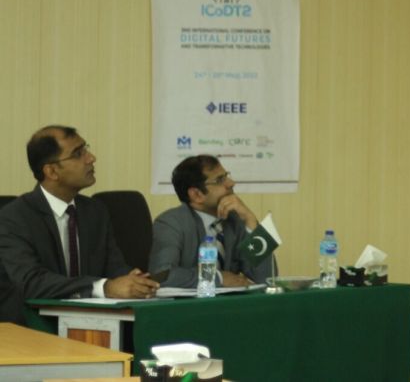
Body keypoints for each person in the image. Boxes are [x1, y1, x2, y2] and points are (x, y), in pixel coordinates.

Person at [0, 126, 160, 323]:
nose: (91, 158)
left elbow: (113, 266)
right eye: (78, 154)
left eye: (86, 149)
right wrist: (104, 287)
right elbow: (32, 282)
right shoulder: (14, 218)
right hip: (30, 326)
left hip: (92, 324)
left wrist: (133, 280)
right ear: (52, 171)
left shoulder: (95, 211)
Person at [148, 155, 276, 288]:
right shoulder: (171, 223)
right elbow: (162, 275)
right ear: (197, 194)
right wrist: (218, 278)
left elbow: (268, 278)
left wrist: (251, 220)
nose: (231, 183)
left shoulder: (235, 220)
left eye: (226, 176)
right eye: (220, 180)